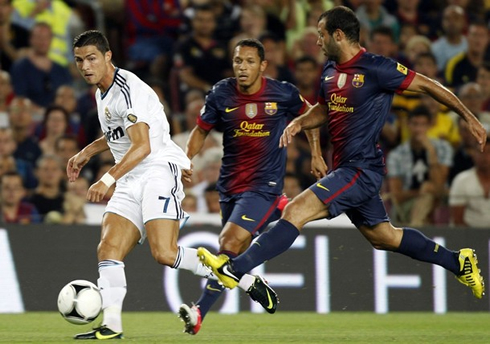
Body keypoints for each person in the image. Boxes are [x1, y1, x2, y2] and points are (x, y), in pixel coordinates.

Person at [197, 6, 487, 308]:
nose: (317, 41)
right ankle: (458, 262)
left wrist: (469, 117)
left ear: (338, 35)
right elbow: (323, 109)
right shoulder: (330, 71)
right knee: (383, 237)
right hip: (347, 168)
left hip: (361, 169)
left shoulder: (377, 69)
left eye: (321, 35)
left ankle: (235, 269)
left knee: (296, 210)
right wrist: (299, 122)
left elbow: (429, 86)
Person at [67, 30, 268, 340]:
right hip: (131, 175)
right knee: (108, 248)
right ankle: (112, 326)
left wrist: (107, 178)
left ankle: (239, 276)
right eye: (79, 60)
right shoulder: (102, 92)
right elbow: (117, 135)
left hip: (157, 171)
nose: (85, 66)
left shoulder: (127, 89)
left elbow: (142, 145)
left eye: (91, 58)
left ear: (108, 56)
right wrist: (85, 153)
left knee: (164, 252)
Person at [178, 38, 327, 335]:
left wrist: (316, 153)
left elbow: (310, 116)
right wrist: (185, 158)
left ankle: (198, 311)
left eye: (249, 62)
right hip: (230, 187)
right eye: (237, 61)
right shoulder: (221, 93)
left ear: (262, 65)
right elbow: (201, 130)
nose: (242, 67)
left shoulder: (282, 93)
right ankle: (245, 285)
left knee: (229, 242)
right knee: (230, 256)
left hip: (263, 184)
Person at [386, 106, 453, 226]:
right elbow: (397, 195)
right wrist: (421, 192)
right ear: (408, 125)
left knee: (429, 193)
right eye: (415, 124)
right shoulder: (397, 154)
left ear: (430, 125)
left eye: (423, 125)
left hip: (439, 201)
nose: (418, 129)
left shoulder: (443, 148)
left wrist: (431, 152)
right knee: (426, 195)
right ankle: (418, 228)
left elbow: (439, 185)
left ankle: (416, 230)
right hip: (407, 204)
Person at [449, 138, 490, 228]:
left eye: (489, 152)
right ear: (473, 154)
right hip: (467, 235)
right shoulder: (461, 180)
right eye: (481, 152)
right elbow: (457, 219)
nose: (485, 157)